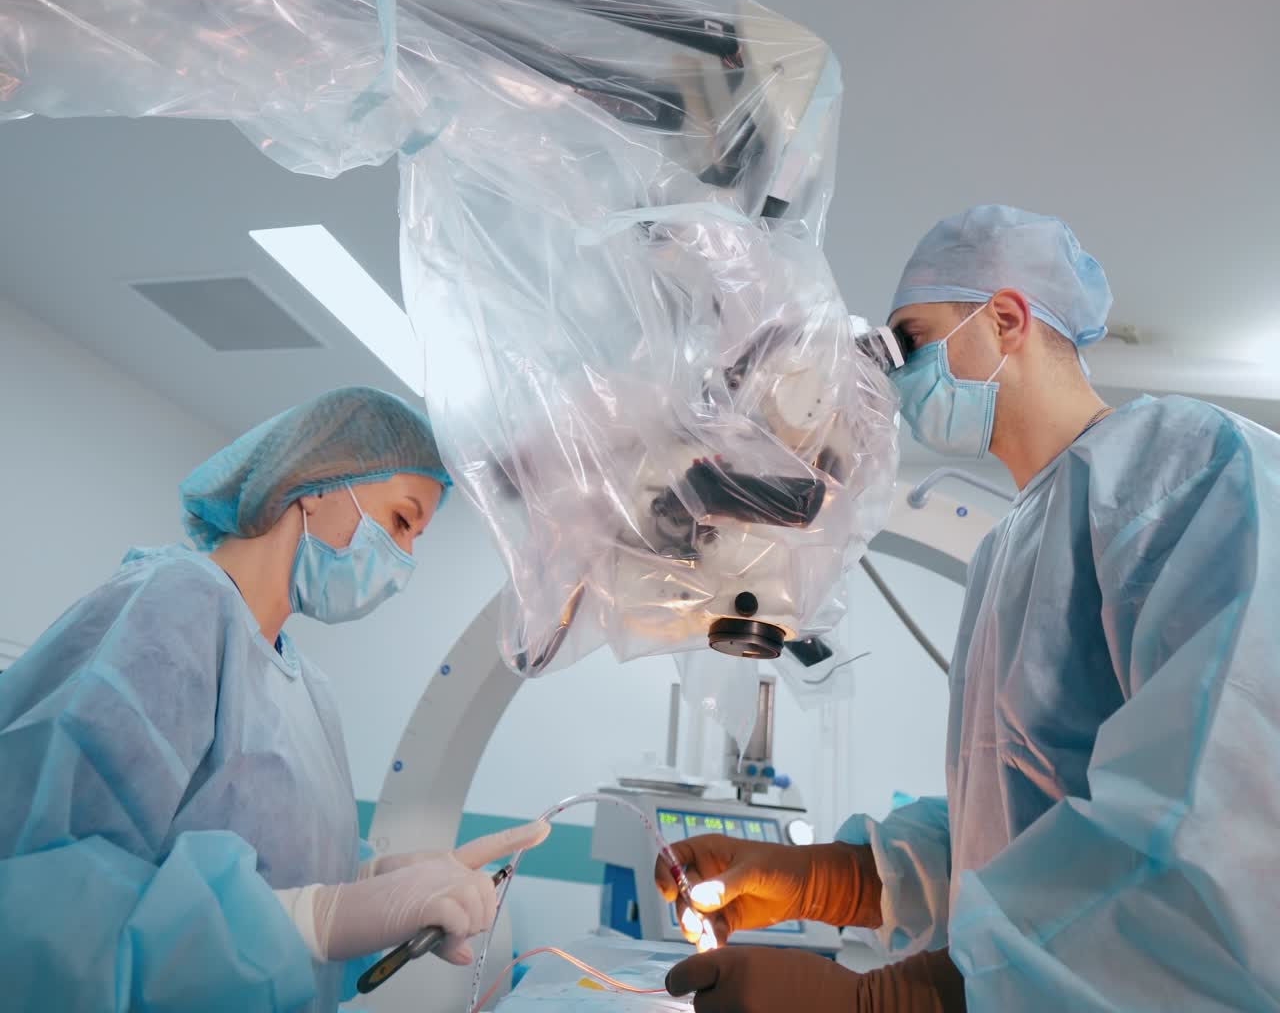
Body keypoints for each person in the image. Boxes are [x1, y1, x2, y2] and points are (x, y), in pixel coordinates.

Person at [656, 205, 1280, 1012]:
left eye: (911, 341)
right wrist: (828, 880)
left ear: (1007, 319)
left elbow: (1217, 825)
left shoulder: (1184, 469)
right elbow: (1023, 840)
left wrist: (899, 1001)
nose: (896, 377)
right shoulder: (1007, 546)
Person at [0, 385, 548, 1013]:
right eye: (401, 521)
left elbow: (287, 887)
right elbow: (41, 901)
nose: (403, 560)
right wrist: (316, 917)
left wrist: (372, 886)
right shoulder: (174, 608)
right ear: (317, 484)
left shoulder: (308, 692)